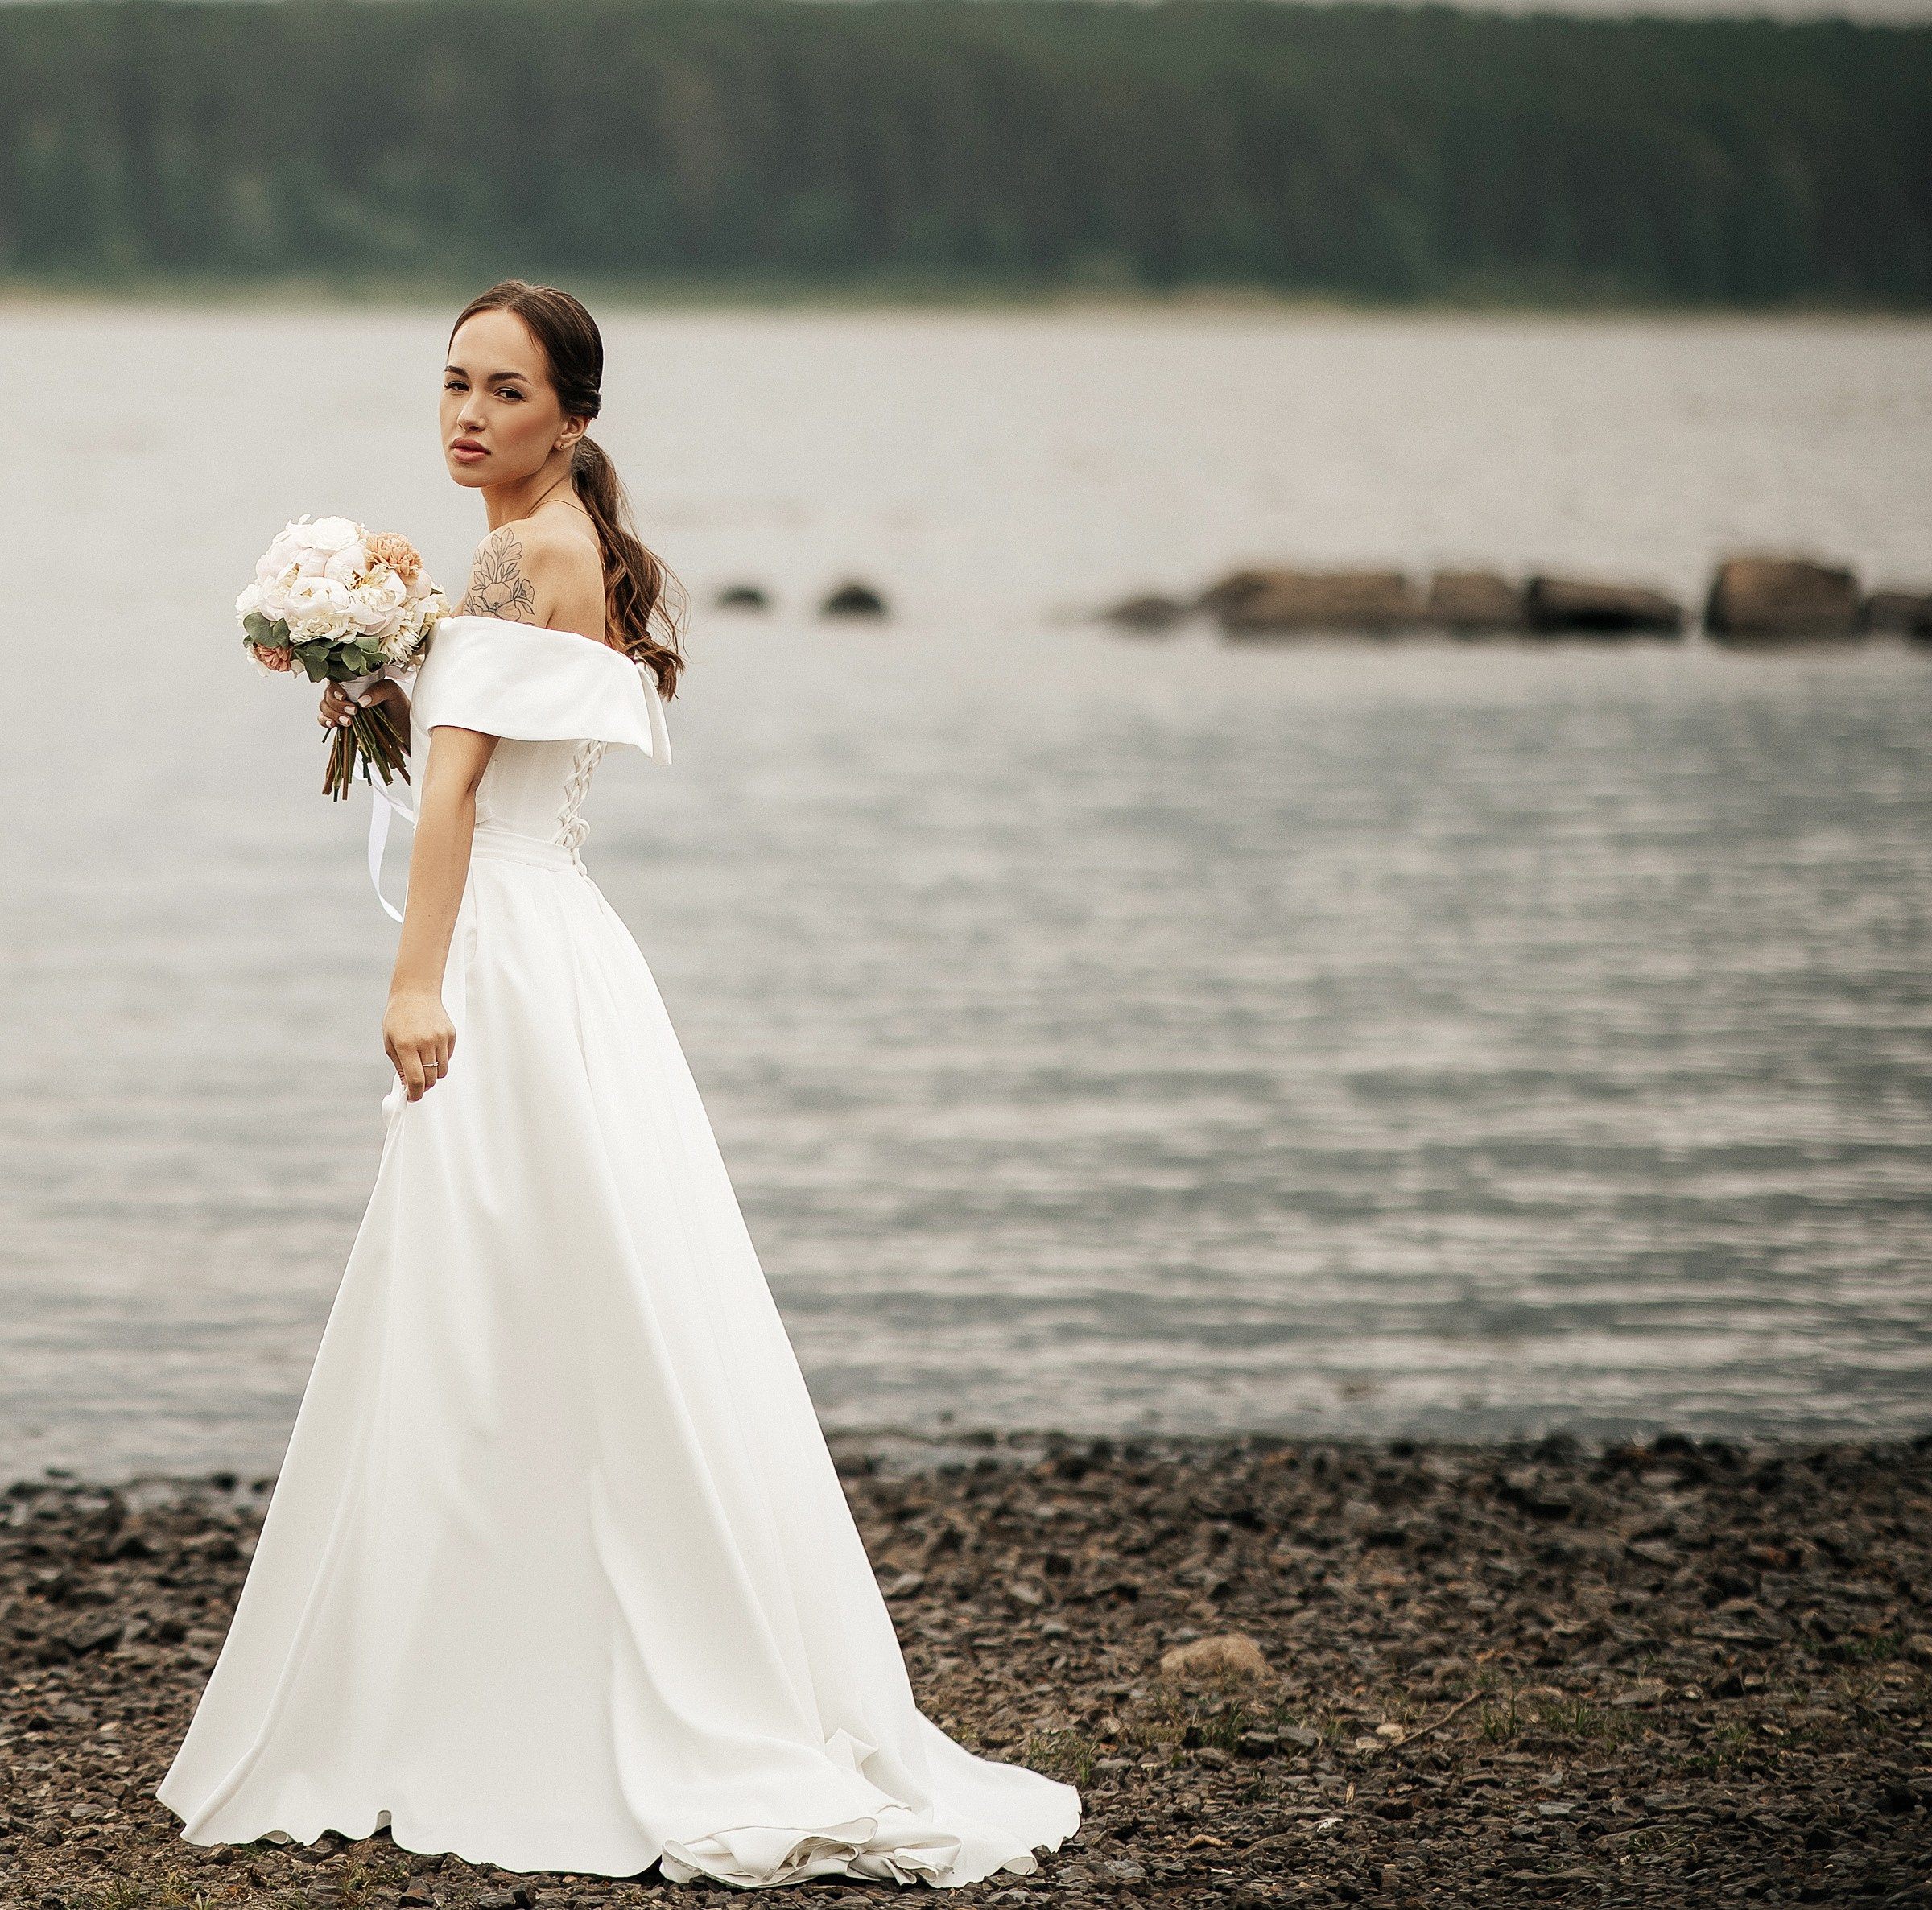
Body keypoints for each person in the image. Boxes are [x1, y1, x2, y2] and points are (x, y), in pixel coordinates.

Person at [157, 281, 1080, 1886]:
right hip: (564, 942)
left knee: (492, 1293)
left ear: (572, 414)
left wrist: (414, 980)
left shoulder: (524, 553)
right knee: (554, 1289)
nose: (467, 414)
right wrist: (378, 677)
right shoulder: (559, 539)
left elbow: (458, 796)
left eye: (505, 391)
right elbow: (482, 747)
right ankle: (517, 1639)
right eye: (453, 381)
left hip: (506, 952)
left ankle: (491, 1673)